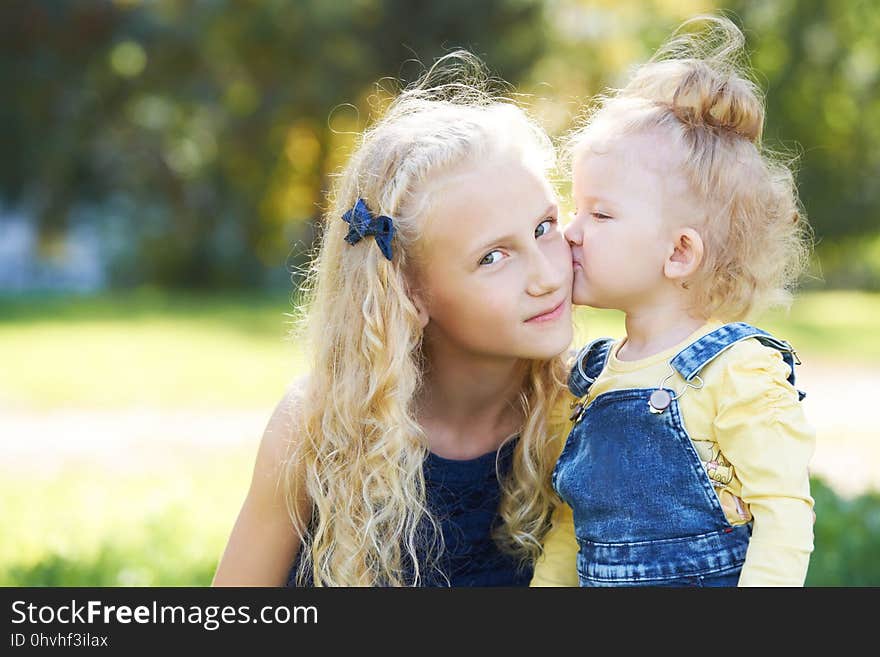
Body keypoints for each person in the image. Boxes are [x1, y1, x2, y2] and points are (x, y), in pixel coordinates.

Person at [212, 53, 574, 587]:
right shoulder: (316, 427)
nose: (546, 275)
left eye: (545, 227)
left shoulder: (587, 417)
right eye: (492, 257)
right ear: (410, 290)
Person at [531, 16, 816, 587]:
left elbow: (783, 518)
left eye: (600, 213)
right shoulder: (588, 379)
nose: (571, 231)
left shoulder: (736, 371)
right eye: (575, 208)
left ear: (680, 252)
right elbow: (572, 525)